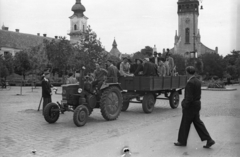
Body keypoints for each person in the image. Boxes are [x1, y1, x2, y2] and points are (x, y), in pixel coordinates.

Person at [174, 66, 215, 148]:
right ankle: (209, 140)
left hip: (190, 106)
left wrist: (184, 104)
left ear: (187, 73)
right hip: (196, 105)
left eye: (186, 72)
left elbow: (189, 97)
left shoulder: (190, 82)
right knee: (198, 123)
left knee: (185, 124)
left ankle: (182, 141)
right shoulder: (198, 81)